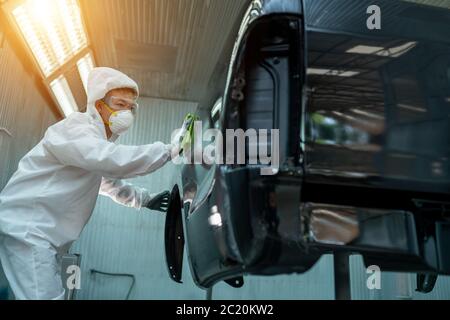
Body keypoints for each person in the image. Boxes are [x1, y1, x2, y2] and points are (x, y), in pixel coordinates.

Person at [0, 67, 186, 300]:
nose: (126, 112)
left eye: (131, 107)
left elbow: (107, 183)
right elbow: (110, 160)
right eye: (119, 104)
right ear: (99, 105)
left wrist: (144, 199)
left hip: (46, 238)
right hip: (30, 231)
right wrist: (169, 151)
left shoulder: (93, 142)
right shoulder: (77, 129)